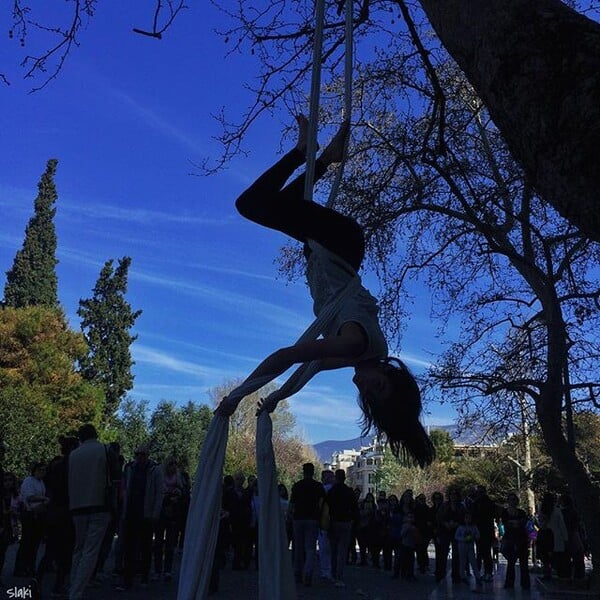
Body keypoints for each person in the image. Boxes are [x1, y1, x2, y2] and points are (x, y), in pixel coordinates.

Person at [215, 115, 435, 468]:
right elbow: (287, 356)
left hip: (330, 249)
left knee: (277, 202)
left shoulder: (360, 353)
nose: (363, 387)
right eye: (376, 388)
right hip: (339, 246)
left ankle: (323, 156)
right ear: (389, 376)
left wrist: (277, 398)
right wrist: (238, 395)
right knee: (253, 205)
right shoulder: (355, 345)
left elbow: (310, 368)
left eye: (366, 396)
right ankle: (310, 153)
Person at [69, 424, 120, 600]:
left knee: (78, 548)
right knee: (91, 551)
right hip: (99, 504)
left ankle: (72, 585)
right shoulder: (104, 450)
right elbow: (115, 478)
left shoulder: (73, 455)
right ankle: (76, 591)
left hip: (77, 506)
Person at [117, 443, 163, 591]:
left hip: (146, 513)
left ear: (147, 455)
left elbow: (158, 493)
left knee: (146, 546)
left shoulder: (155, 470)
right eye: (137, 454)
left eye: (142, 454)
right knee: (129, 547)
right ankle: (127, 578)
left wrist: (155, 512)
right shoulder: (130, 468)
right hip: (131, 511)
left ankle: (144, 575)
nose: (140, 457)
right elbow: (125, 489)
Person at [289, 463, 325, 586]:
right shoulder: (318, 486)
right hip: (312, 519)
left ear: (303, 472)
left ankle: (297, 573)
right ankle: (308, 574)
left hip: (298, 518)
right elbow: (321, 504)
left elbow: (292, 504)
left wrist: (291, 516)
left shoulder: (297, 486)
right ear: (313, 472)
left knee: (298, 547)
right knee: (310, 548)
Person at [13, 461, 49, 577]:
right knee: (27, 541)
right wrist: (43, 499)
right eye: (40, 470)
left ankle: (30, 566)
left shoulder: (41, 482)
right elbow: (29, 496)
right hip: (29, 513)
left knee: (35, 542)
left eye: (44, 470)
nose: (42, 473)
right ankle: (20, 567)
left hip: (38, 513)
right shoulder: (29, 481)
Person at [326, 469, 358, 587]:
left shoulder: (332, 491)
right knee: (342, 550)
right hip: (346, 522)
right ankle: (339, 575)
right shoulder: (349, 491)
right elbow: (355, 508)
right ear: (344, 478)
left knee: (333, 550)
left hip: (333, 522)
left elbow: (326, 506)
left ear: (336, 478)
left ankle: (333, 573)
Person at [500, 493, 530, 590]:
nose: (513, 501)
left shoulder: (521, 512)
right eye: (511, 499)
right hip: (510, 540)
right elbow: (506, 523)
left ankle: (525, 584)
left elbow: (525, 523)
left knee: (524, 563)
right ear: (508, 501)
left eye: (514, 499)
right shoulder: (505, 512)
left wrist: (515, 523)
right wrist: (516, 523)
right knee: (511, 563)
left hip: (522, 539)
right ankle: (509, 583)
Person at [455, 512, 483, 589]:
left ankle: (477, 577)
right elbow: (456, 536)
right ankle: (462, 576)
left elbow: (478, 534)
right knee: (462, 561)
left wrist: (475, 537)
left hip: (470, 546)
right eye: (466, 518)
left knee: (473, 561)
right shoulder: (461, 527)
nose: (468, 520)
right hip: (462, 545)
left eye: (469, 518)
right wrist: (463, 539)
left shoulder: (474, 527)